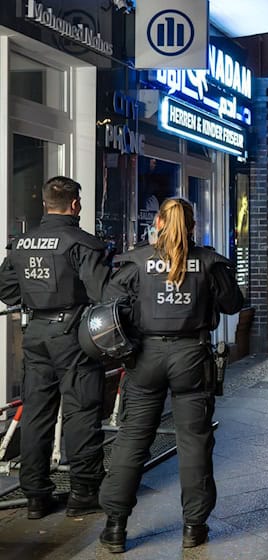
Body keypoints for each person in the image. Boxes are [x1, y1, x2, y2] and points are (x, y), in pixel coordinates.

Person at [97, 198, 243, 553]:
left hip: (146, 358)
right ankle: (194, 526)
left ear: (159, 222)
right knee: (194, 441)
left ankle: (115, 527)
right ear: (192, 226)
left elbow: (108, 308)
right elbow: (233, 304)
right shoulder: (210, 261)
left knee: (132, 439)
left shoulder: (135, 262)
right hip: (191, 357)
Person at [0, 176, 111, 519]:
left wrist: (34, 301)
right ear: (75, 205)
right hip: (73, 336)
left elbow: (6, 289)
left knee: (36, 414)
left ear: (44, 204)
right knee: (80, 412)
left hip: (35, 334)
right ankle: (83, 492)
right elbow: (103, 295)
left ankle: (36, 496)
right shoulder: (82, 243)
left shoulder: (21, 244)